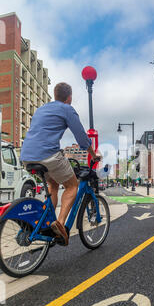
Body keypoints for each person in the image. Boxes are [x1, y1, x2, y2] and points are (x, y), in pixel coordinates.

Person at [20, 82, 100, 246]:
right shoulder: (67, 109)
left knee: (53, 185)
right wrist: (94, 154)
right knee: (71, 186)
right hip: (48, 155)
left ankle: (46, 223)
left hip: (27, 155)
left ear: (55, 95)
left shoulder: (41, 109)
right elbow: (82, 138)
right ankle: (60, 224)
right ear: (69, 97)